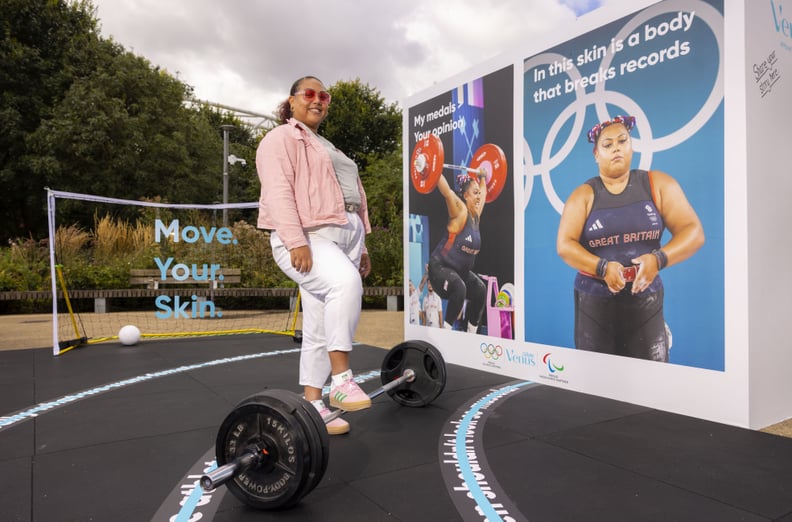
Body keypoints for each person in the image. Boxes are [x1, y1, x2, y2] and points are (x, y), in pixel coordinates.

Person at [256, 76, 372, 435]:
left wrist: (363, 243)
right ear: (291, 101)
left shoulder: (327, 145)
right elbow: (278, 192)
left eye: (324, 95)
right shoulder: (280, 138)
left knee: (319, 324)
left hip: (345, 234)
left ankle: (313, 404)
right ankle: (341, 379)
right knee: (345, 284)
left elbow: (353, 195)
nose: (317, 100)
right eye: (309, 94)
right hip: (310, 235)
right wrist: (294, 241)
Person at [556, 115, 705, 362]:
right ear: (596, 154)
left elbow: (693, 231)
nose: (616, 148)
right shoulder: (582, 195)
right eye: (607, 144)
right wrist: (601, 267)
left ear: (631, 146)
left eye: (622, 141)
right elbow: (564, 245)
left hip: (645, 299)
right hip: (594, 301)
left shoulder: (657, 184)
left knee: (652, 385)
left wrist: (659, 259)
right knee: (597, 387)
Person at [426, 167, 488, 333]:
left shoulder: (476, 215)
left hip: (459, 273)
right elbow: (447, 192)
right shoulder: (460, 210)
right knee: (459, 287)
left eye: (478, 193)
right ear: (465, 195)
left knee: (481, 290)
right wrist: (432, 168)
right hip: (439, 269)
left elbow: (483, 193)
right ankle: (446, 333)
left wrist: (482, 178)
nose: (478, 197)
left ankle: (472, 333)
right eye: (474, 193)